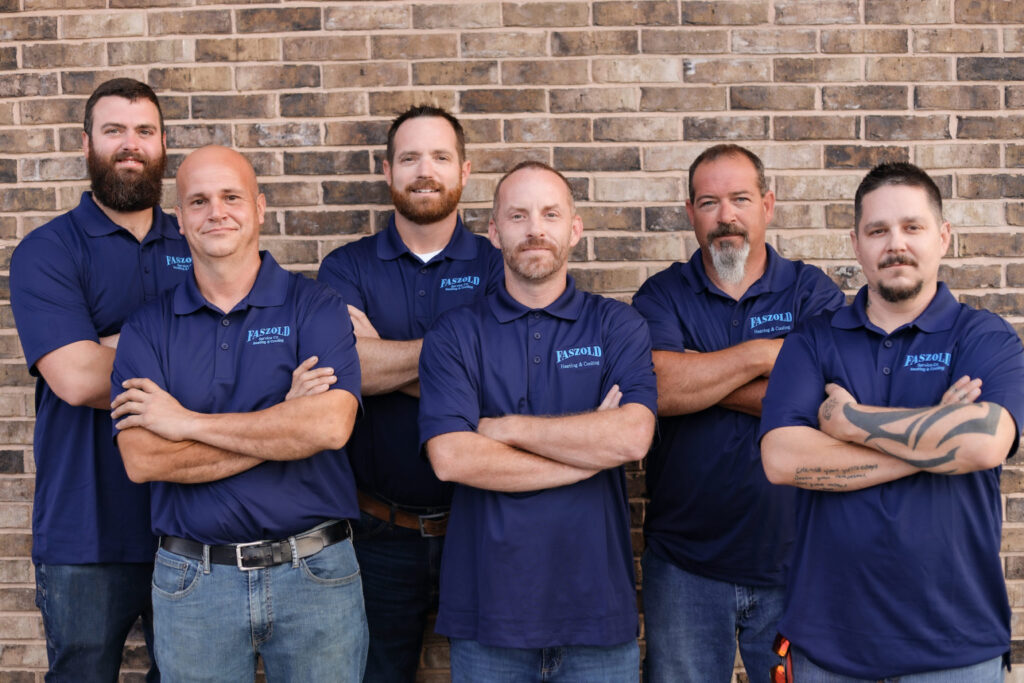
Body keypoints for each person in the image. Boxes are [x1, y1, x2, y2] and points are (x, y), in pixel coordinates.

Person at [109, 145, 367, 681]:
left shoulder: (315, 307)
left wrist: (186, 424)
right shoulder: (148, 327)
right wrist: (280, 424)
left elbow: (328, 425)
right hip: (194, 582)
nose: (216, 212)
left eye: (231, 197)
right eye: (198, 201)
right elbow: (142, 459)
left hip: (314, 573)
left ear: (260, 207)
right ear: (180, 220)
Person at [760, 162, 1024, 681]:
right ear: (856, 244)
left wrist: (851, 420)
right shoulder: (815, 340)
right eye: (878, 231)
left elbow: (984, 444)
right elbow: (782, 459)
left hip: (955, 647)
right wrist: (935, 435)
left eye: (912, 227)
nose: (895, 244)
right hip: (828, 645)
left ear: (943, 237)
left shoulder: (984, 338)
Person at [418, 161, 657, 682]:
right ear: (494, 231)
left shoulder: (618, 325)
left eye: (550, 214)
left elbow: (632, 435)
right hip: (490, 616)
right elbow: (452, 457)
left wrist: (506, 428)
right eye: (518, 215)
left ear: (575, 228)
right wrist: (586, 454)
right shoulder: (455, 334)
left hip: (597, 610)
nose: (535, 230)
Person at [632, 144, 843, 681]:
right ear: (690, 213)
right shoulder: (662, 295)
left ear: (767, 205)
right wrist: (764, 355)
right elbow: (658, 387)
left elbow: (827, 405)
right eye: (709, 202)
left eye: (740, 199)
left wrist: (700, 373)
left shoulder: (810, 292)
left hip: (795, 560)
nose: (726, 215)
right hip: (684, 564)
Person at [9, 77, 191, 681]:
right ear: (85, 143)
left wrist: (109, 341)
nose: (130, 144)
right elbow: (79, 378)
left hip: (192, 524)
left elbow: (243, 359)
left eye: (144, 131)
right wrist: (187, 344)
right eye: (114, 130)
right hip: (84, 532)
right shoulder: (47, 251)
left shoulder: (200, 243)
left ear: (164, 144)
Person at [317, 105, 502, 681]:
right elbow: (346, 374)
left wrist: (386, 354)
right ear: (388, 171)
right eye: (410, 157)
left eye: (441, 157)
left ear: (465, 170)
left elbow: (509, 386)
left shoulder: (499, 266)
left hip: (482, 523)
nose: (426, 170)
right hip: (374, 533)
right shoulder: (345, 267)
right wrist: (462, 362)